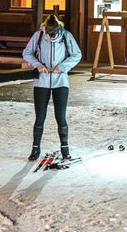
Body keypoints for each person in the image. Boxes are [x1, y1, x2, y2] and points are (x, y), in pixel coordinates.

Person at [22, 14, 82, 162]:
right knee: (40, 117)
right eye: (49, 34)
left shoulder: (66, 36)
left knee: (60, 117)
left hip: (60, 81)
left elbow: (76, 54)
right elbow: (27, 52)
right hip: (41, 82)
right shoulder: (39, 35)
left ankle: (65, 148)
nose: (51, 36)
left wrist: (62, 67)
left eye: (53, 34)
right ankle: (35, 149)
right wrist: (38, 65)